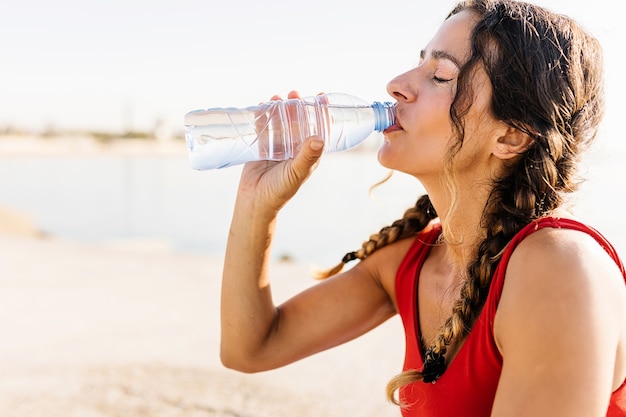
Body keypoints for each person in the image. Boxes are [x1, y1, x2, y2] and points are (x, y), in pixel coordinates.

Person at [219, 0, 626, 415]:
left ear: (510, 137)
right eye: (418, 63)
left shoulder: (559, 269)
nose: (396, 84)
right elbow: (251, 348)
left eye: (440, 76)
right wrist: (257, 205)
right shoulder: (411, 263)